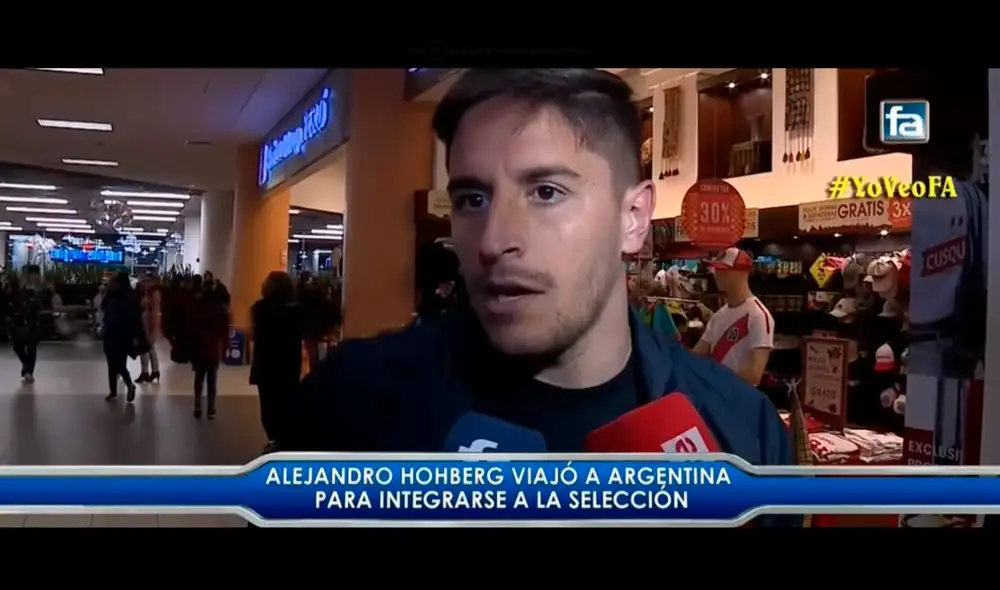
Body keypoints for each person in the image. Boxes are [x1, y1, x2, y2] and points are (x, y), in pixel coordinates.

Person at [274, 70, 792, 515]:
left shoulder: (743, 433)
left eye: (546, 192)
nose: (494, 241)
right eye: (473, 199)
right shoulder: (351, 405)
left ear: (633, 219)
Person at [693, 248, 775, 386]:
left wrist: (714, 376)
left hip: (739, 397)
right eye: (716, 269)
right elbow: (695, 356)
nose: (717, 274)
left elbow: (754, 374)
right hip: (715, 394)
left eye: (723, 270)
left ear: (740, 273)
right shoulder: (718, 316)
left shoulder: (758, 316)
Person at [250, 271, 304, 450]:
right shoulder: (297, 312)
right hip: (289, 365)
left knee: (268, 406)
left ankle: (273, 438)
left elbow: (255, 335)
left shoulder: (259, 309)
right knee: (287, 404)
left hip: (266, 365)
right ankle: (285, 439)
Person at [187, 281, 229, 419]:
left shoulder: (197, 307)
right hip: (213, 349)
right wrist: (224, 349)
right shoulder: (220, 310)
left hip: (199, 348)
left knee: (199, 379)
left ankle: (197, 407)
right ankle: (211, 410)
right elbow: (224, 332)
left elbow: (191, 328)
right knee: (212, 381)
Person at [101, 272, 143, 402]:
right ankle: (117, 389)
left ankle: (126, 385)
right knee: (116, 363)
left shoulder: (123, 299)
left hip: (117, 334)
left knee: (116, 363)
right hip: (119, 334)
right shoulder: (124, 297)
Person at [9, 266, 42, 383]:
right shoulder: (20, 288)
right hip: (19, 322)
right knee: (17, 346)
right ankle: (26, 364)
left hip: (33, 323)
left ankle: (29, 372)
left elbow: (39, 305)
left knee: (32, 348)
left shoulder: (39, 289)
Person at [136, 278, 162, 383]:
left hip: (150, 327)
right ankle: (154, 371)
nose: (144, 283)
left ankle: (145, 372)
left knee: (145, 349)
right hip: (149, 327)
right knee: (150, 349)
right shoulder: (149, 294)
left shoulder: (153, 295)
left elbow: (151, 311)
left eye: (146, 281)